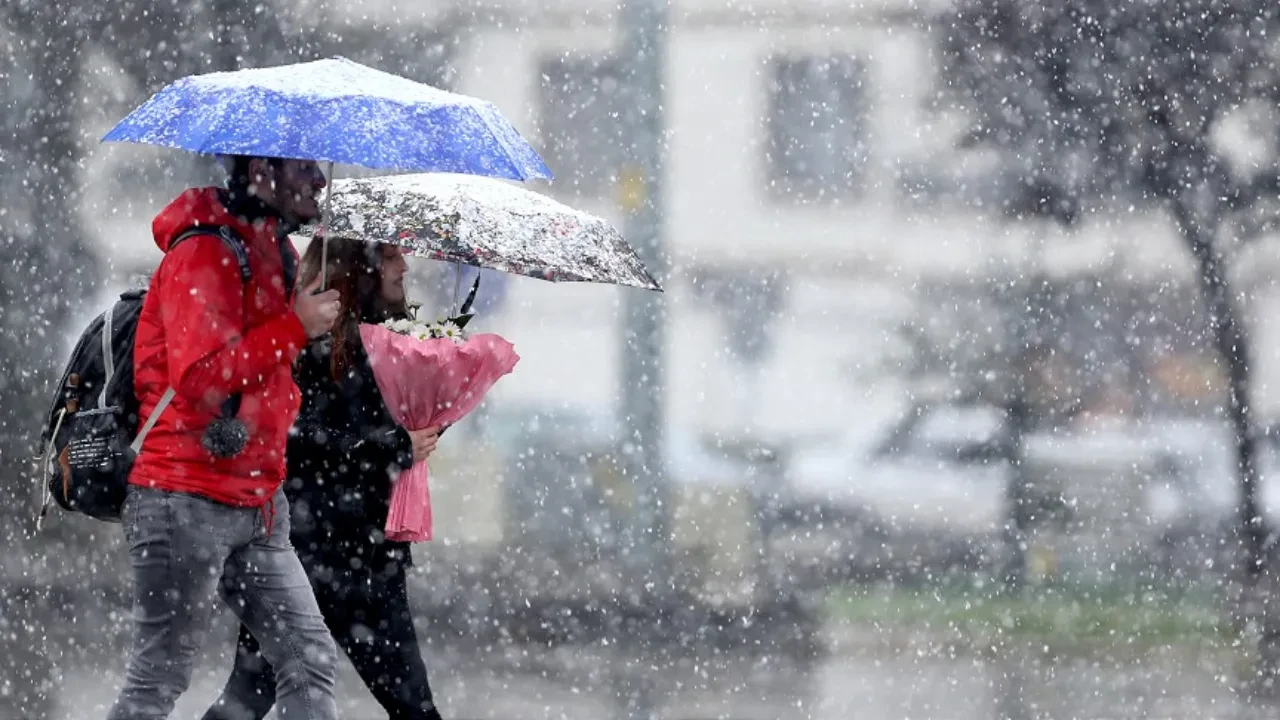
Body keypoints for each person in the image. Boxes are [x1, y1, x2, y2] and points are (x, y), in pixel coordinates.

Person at [108, 155, 343, 720]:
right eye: (303, 167)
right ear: (262, 169)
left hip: (259, 501)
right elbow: (200, 377)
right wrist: (296, 327)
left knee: (309, 662)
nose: (319, 179)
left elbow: (270, 367)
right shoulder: (205, 251)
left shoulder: (276, 252)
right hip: (182, 496)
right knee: (159, 677)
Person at [203, 237, 445, 720]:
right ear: (363, 268)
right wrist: (393, 445)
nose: (405, 266)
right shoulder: (308, 343)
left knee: (412, 709)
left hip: (367, 557)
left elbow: (387, 434)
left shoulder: (394, 342)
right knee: (247, 699)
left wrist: (434, 411)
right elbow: (296, 439)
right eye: (393, 256)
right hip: (309, 554)